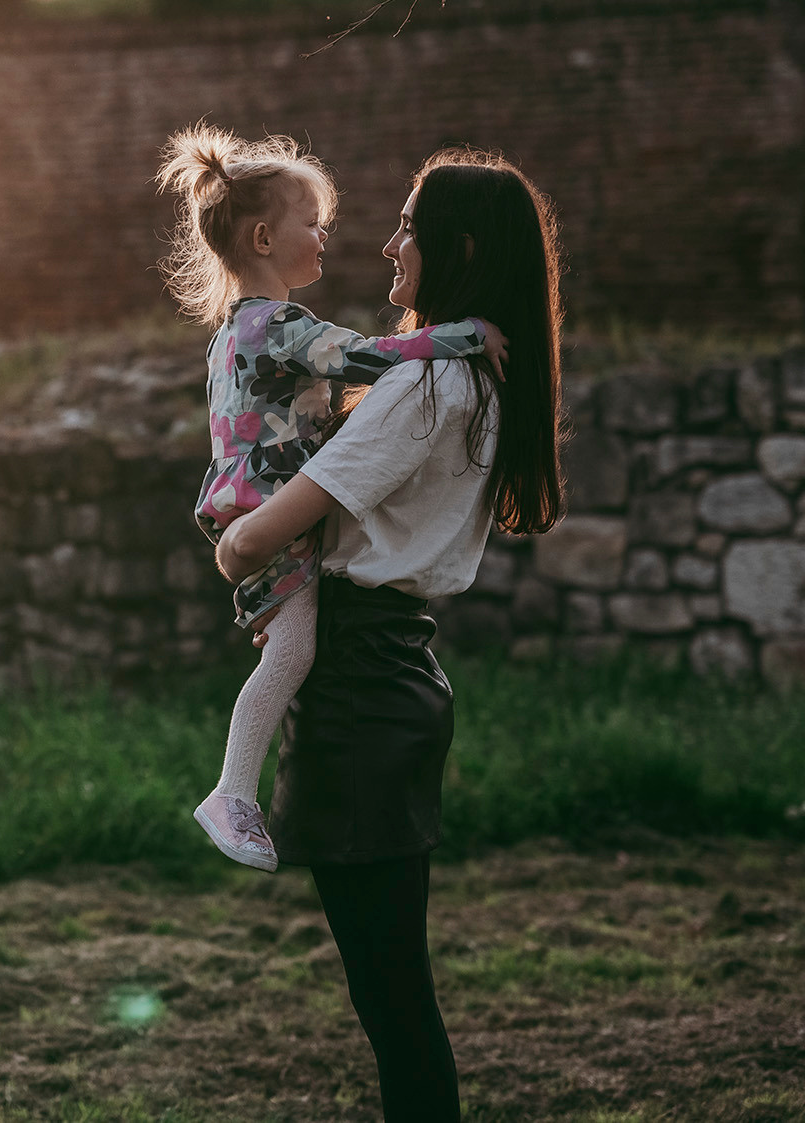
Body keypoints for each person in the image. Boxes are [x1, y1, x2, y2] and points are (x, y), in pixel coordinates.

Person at [213, 149, 565, 1121]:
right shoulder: (479, 380)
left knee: (392, 1000)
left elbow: (263, 532)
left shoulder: (422, 388)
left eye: (405, 225)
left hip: (359, 686)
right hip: (396, 669)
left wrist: (231, 542)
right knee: (394, 994)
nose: (385, 242)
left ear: (450, 246)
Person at [155, 126, 506, 872]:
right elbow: (367, 356)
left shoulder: (236, 333)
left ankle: (234, 790)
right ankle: (231, 793)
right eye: (311, 224)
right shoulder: (278, 325)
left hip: (250, 509)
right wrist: (465, 336)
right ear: (261, 236)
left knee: (287, 644)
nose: (325, 239)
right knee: (294, 648)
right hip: (263, 516)